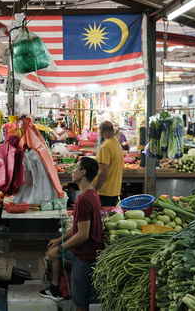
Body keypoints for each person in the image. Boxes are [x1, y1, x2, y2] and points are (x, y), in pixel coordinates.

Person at [40, 157, 104, 310]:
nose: (72, 171)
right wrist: (59, 240)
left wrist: (60, 248)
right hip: (83, 251)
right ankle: (55, 289)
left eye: (75, 168)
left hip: (85, 256)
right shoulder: (91, 194)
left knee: (80, 303)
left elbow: (83, 235)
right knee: (52, 252)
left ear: (83, 172)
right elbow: (77, 228)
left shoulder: (84, 200)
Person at [94, 121, 124, 207]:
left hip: (105, 191)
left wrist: (94, 189)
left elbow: (103, 172)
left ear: (101, 130)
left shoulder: (106, 146)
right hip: (114, 190)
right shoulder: (116, 143)